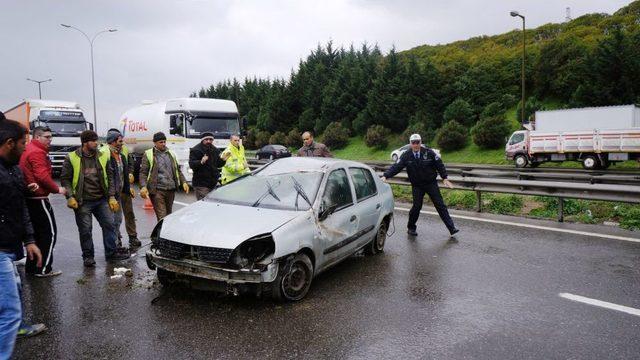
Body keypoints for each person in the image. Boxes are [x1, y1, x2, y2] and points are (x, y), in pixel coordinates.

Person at [0, 117, 44, 357]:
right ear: (9, 143)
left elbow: (20, 205)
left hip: (10, 248)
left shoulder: (14, 169)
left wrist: (29, 240)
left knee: (13, 295)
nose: (26, 149)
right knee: (10, 313)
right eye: (23, 143)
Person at [60, 130, 129, 267]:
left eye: (97, 140)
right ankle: (88, 257)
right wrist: (70, 196)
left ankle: (111, 253)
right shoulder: (72, 157)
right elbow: (65, 179)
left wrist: (111, 197)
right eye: (93, 141)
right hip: (82, 201)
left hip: (101, 199)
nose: (96, 143)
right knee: (85, 230)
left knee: (109, 225)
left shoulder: (103, 156)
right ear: (85, 142)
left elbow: (110, 177)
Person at [382, 134, 459, 237]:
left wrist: (444, 177)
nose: (415, 145)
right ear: (410, 143)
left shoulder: (428, 152)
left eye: (417, 142)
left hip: (431, 183)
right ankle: (411, 227)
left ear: (420, 142)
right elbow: (397, 167)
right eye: (413, 142)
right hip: (417, 185)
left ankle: (451, 228)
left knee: (440, 205)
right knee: (417, 207)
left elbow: (439, 164)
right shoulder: (406, 155)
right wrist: (386, 176)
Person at [19, 126, 67, 277]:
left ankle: (32, 268)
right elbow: (42, 176)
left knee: (36, 236)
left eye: (50, 137)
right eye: (47, 137)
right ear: (37, 137)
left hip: (29, 198)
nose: (50, 139)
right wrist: (57, 189)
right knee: (49, 234)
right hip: (38, 199)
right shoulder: (37, 152)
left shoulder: (28, 149)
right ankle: (43, 269)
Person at [139, 132, 189, 220]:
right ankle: (160, 233)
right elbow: (143, 172)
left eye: (164, 142)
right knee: (162, 216)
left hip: (170, 189)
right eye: (161, 142)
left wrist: (184, 182)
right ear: (155, 143)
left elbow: (177, 170)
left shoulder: (171, 154)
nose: (163, 144)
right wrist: (143, 186)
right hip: (157, 190)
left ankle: (164, 232)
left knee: (169, 216)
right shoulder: (149, 154)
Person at [102, 130, 138, 252]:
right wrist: (110, 194)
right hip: (111, 194)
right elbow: (107, 175)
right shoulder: (104, 153)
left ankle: (123, 241)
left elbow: (129, 165)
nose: (123, 143)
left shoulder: (122, 153)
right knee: (112, 221)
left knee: (123, 217)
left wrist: (129, 180)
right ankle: (115, 245)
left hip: (122, 190)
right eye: (120, 141)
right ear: (112, 141)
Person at [189, 132, 225, 200]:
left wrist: (223, 160)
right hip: (201, 184)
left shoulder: (215, 150)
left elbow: (218, 164)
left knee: (214, 204)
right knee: (204, 204)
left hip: (213, 182)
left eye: (210, 139)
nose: (208, 141)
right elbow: (191, 164)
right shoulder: (196, 150)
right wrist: (201, 161)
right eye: (206, 139)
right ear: (202, 140)